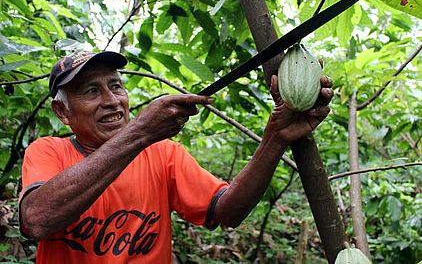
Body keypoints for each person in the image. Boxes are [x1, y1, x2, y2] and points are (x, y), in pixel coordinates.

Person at [19, 50, 333, 264]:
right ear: (62, 111)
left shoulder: (163, 154)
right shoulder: (49, 151)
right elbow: (38, 219)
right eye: (91, 91)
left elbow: (227, 212)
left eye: (116, 86)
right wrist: (140, 132)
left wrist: (275, 138)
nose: (112, 101)